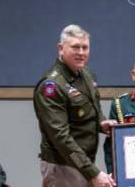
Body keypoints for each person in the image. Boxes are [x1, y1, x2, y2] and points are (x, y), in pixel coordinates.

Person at [34, 24, 116, 187]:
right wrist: (92, 172)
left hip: (83, 162)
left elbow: (92, 105)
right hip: (63, 165)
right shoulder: (51, 86)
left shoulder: (86, 74)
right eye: (75, 47)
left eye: (85, 47)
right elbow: (60, 137)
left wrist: (101, 122)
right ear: (61, 48)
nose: (81, 52)